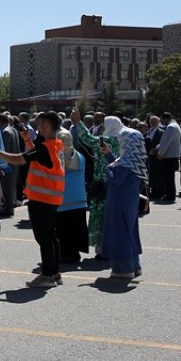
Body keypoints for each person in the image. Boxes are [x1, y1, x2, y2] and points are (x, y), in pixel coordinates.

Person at [0, 112, 66, 287]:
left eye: (41, 124)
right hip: (51, 198)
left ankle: (48, 275)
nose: (38, 127)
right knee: (51, 236)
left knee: (44, 238)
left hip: (41, 199)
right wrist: (27, 140)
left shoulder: (44, 148)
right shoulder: (54, 144)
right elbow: (35, 153)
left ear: (48, 126)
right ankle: (55, 272)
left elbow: (20, 159)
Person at [99, 116, 148, 279]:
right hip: (129, 202)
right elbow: (119, 166)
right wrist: (109, 156)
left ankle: (123, 269)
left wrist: (107, 167)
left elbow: (115, 178)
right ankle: (135, 265)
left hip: (118, 203)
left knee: (119, 233)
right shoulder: (134, 160)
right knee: (129, 232)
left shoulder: (126, 163)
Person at [69, 108, 117, 255]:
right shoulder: (121, 139)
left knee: (101, 215)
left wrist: (78, 123)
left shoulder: (108, 140)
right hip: (112, 181)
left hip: (102, 182)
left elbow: (88, 139)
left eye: (104, 125)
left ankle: (103, 248)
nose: (102, 127)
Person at [55, 129, 89, 266]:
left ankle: (65, 254)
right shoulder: (80, 156)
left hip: (64, 199)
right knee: (76, 228)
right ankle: (74, 253)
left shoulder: (59, 156)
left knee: (63, 229)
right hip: (79, 199)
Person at [0, 113, 21, 216]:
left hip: (9, 163)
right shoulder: (13, 129)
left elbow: (4, 148)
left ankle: (8, 208)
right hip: (15, 161)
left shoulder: (5, 132)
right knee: (11, 186)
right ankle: (11, 205)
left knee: (7, 186)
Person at [155, 112, 181, 204]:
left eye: (161, 119)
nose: (161, 122)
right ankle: (170, 194)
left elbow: (166, 142)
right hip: (172, 155)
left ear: (165, 118)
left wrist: (160, 153)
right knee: (169, 177)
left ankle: (170, 195)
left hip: (169, 155)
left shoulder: (171, 127)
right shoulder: (175, 126)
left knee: (168, 177)